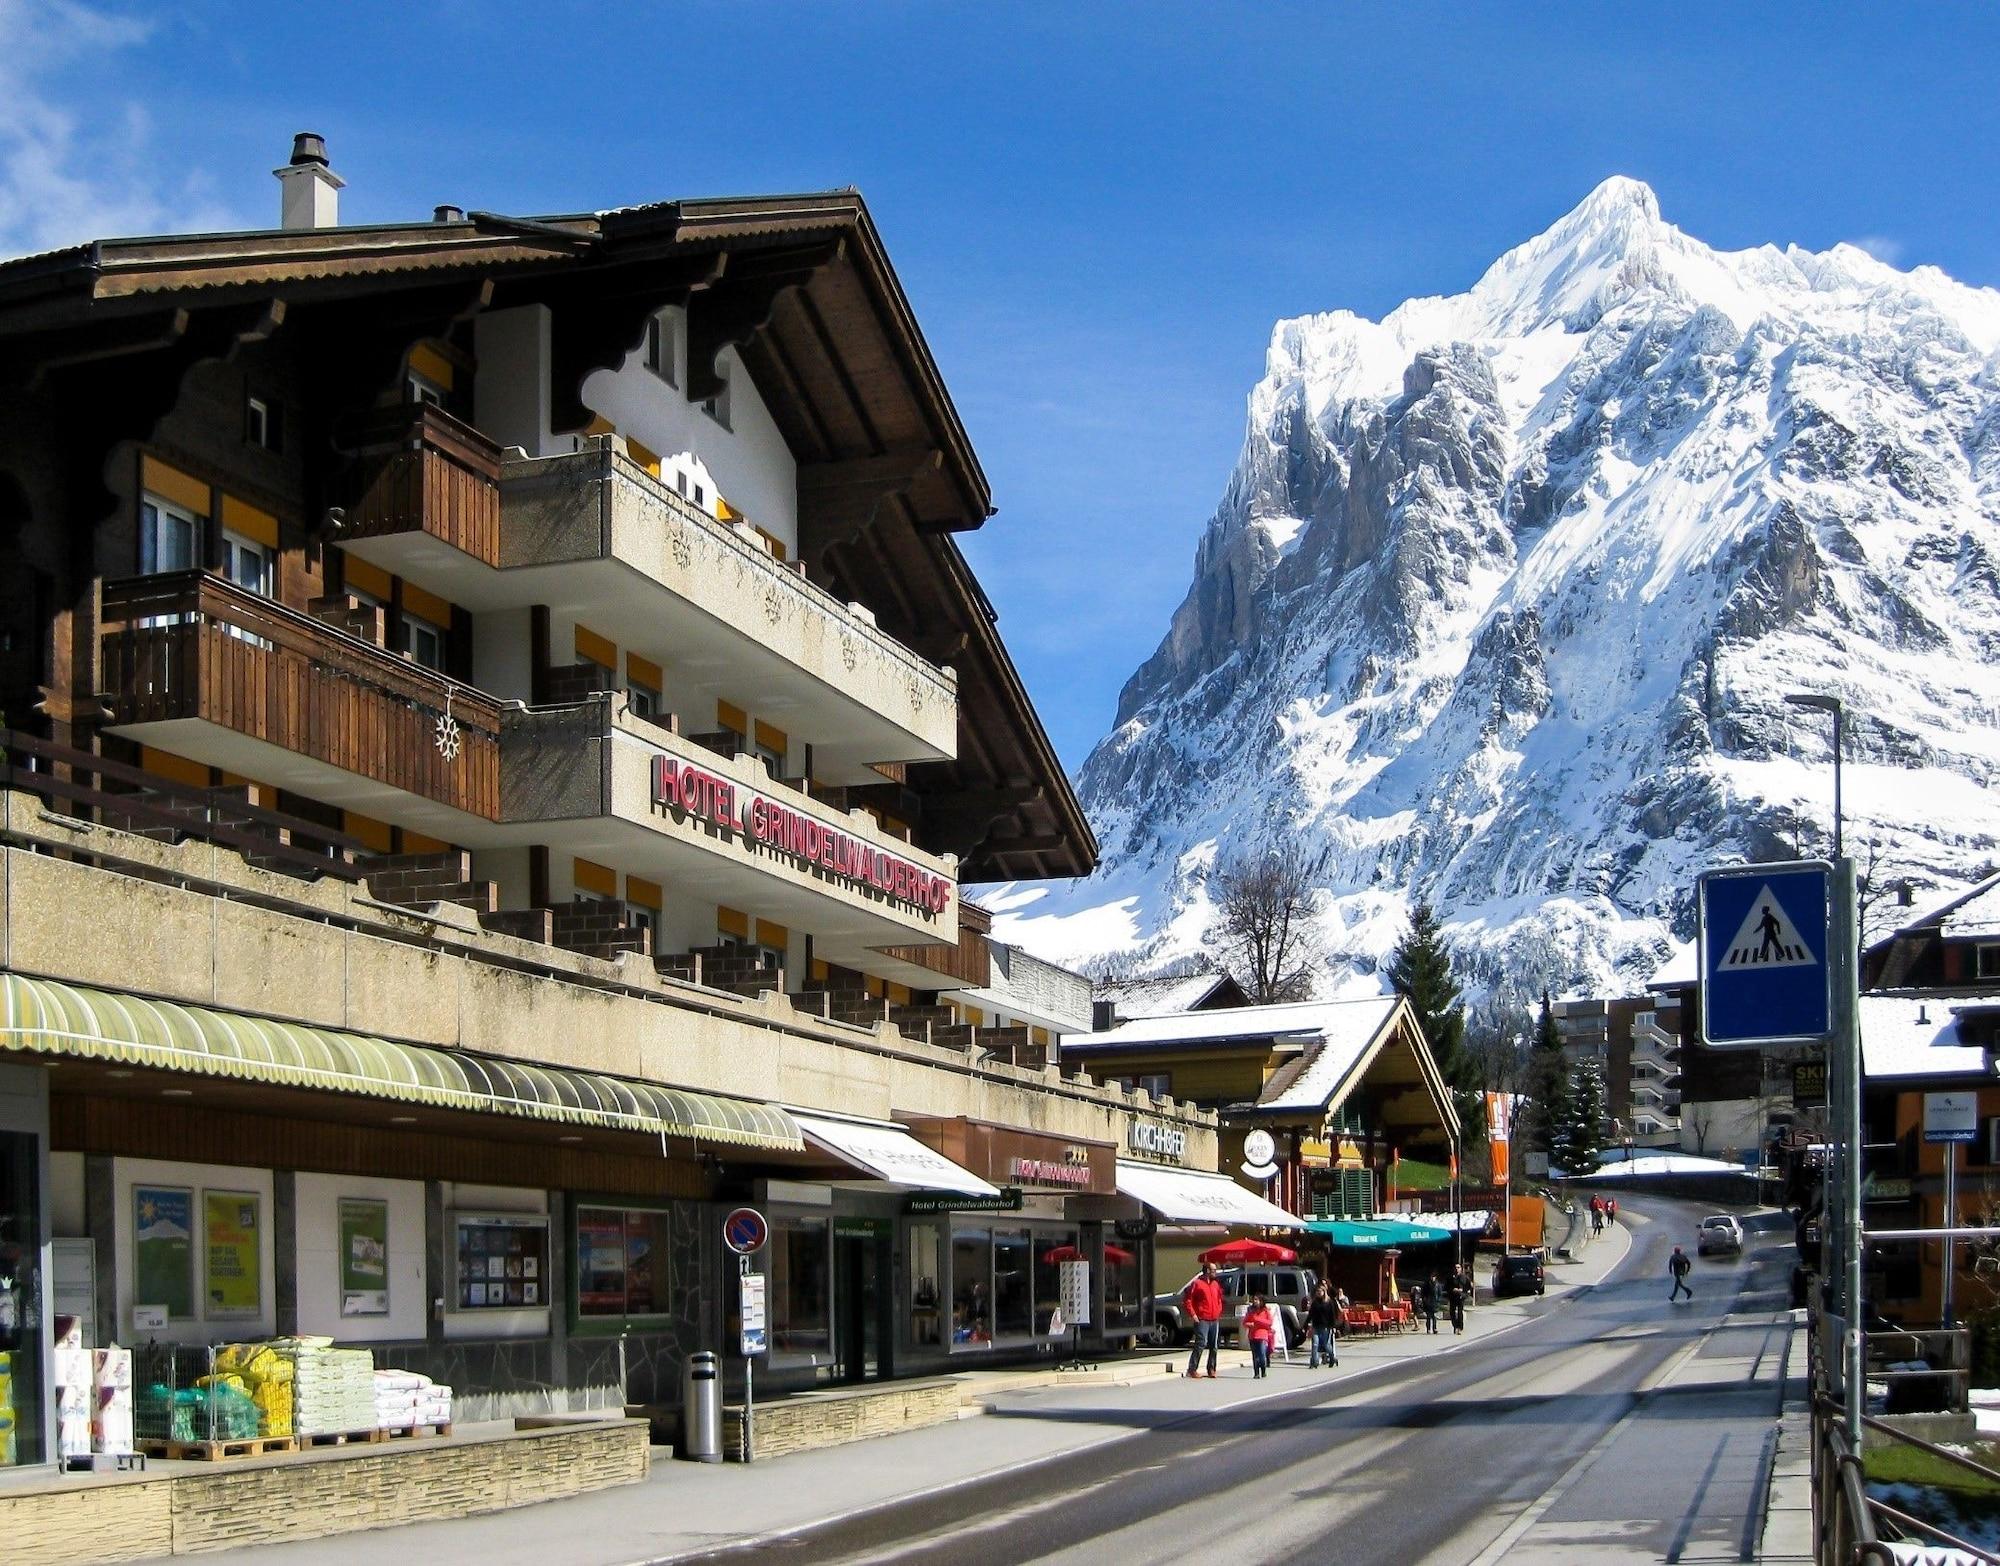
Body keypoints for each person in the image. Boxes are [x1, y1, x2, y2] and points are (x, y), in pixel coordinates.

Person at [1182, 1262, 1226, 1378]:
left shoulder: (1215, 1284)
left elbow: (1219, 1299)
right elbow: (1188, 1300)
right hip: (1202, 1319)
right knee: (1201, 1343)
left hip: (1214, 1319)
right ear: (1207, 1271)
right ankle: (1192, 1369)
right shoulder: (1197, 1284)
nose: (1215, 1272)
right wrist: (1193, 1315)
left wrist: (1218, 1310)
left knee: (1214, 1345)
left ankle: (1211, 1369)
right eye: (1213, 1270)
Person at [1306, 1282, 1340, 1368]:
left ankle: (1332, 1358)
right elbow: (1310, 1315)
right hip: (1316, 1326)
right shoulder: (1315, 1303)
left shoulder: (1329, 1302)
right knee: (1315, 1344)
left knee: (1326, 1345)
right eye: (1317, 1291)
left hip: (1326, 1327)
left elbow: (1332, 1316)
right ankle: (1314, 1362)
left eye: (1320, 1291)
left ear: (1324, 1292)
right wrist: (1305, 1325)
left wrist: (1333, 1327)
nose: (1318, 1293)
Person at [1244, 1293, 1277, 1379]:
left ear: (1261, 1301)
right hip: (1252, 1335)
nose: (1255, 1301)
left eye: (1257, 1300)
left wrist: (1257, 1320)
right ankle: (1256, 1373)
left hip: (1262, 1335)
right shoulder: (1251, 1311)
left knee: (1262, 1354)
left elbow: (1269, 1323)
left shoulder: (1265, 1311)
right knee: (1255, 1355)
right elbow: (1245, 1322)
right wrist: (1251, 1324)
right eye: (1254, 1299)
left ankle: (1263, 1370)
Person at [1448, 1270, 1467, 1334]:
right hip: (1453, 1297)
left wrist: (1463, 1292)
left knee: (1459, 1312)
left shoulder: (1464, 1277)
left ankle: (1459, 1327)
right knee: (1452, 1312)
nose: (1456, 1269)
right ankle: (1455, 1326)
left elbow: (1468, 1286)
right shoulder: (1450, 1278)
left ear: (1460, 1269)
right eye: (1455, 1268)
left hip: (1460, 1297)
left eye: (1458, 1267)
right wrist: (1452, 1289)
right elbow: (1446, 1287)